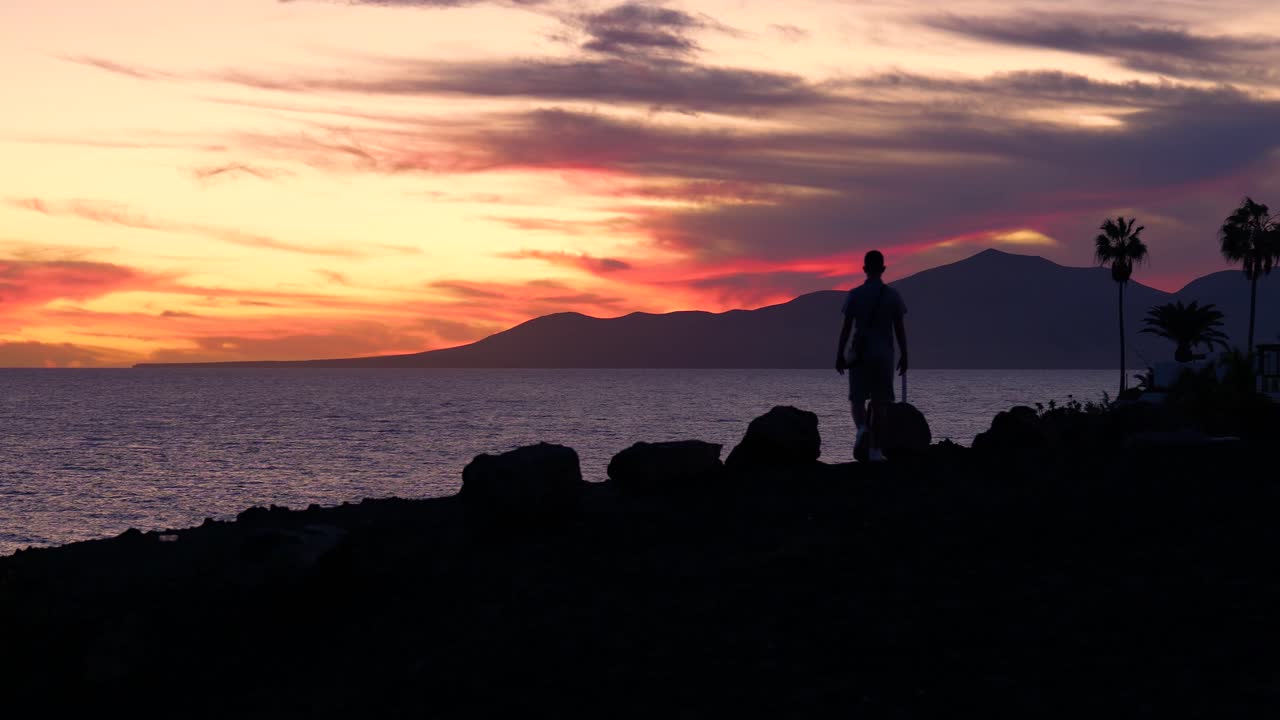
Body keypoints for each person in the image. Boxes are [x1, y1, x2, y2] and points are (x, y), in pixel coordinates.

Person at [835, 250, 908, 462]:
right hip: (884, 356)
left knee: (857, 400)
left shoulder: (855, 295)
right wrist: (905, 355)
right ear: (883, 269)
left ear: (864, 269)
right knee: (880, 404)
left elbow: (846, 329)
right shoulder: (893, 296)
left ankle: (861, 429)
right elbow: (899, 329)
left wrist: (839, 354)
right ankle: (876, 451)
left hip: (860, 355)